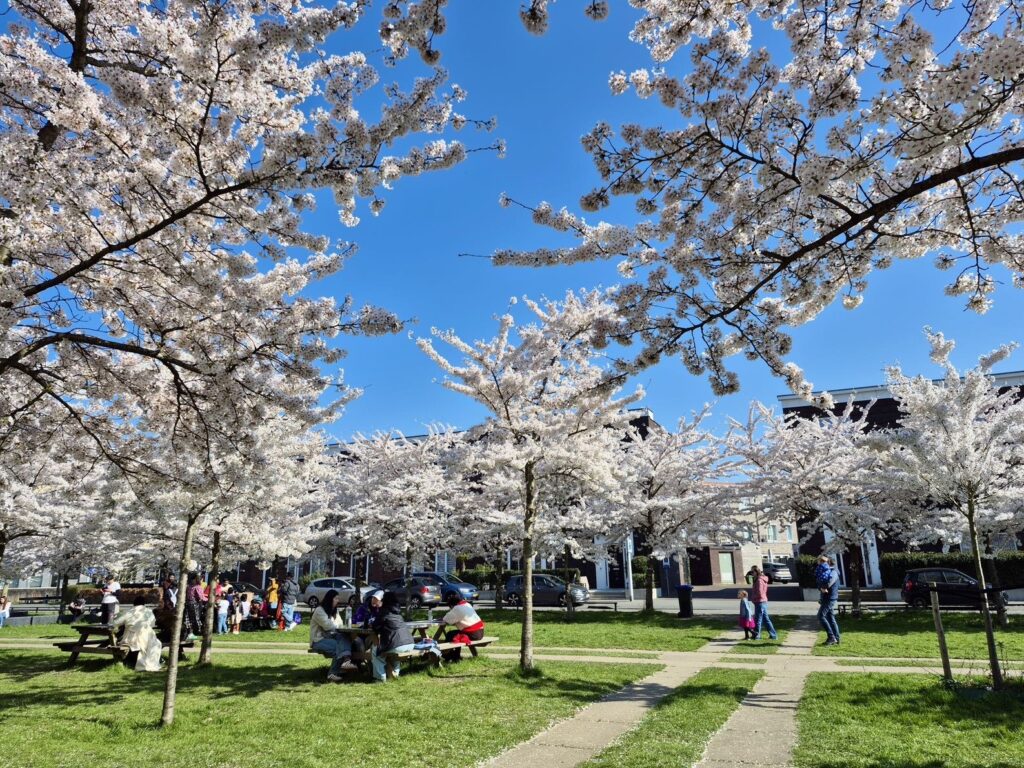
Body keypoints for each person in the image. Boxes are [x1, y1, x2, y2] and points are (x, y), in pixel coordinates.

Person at [310, 589, 358, 682]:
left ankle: (343, 665)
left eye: (338, 598)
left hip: (331, 636)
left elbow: (339, 624)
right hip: (318, 640)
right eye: (336, 598)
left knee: (345, 639)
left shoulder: (334, 611)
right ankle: (334, 672)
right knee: (339, 647)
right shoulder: (319, 610)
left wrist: (335, 625)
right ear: (330, 599)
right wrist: (335, 625)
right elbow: (328, 626)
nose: (338, 600)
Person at [370, 592, 415, 682]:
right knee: (394, 650)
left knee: (376, 652)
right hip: (410, 643)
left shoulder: (384, 612)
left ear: (385, 601)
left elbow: (375, 627)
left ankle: (380, 678)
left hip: (397, 645)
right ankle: (395, 673)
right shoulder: (398, 613)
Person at [111, 595, 163, 671]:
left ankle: (133, 661)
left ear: (134, 604)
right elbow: (153, 624)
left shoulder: (129, 612)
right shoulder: (149, 611)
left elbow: (116, 623)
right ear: (144, 604)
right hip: (147, 637)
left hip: (131, 638)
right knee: (157, 643)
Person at [816, 555, 841, 646]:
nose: (821, 563)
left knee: (820, 616)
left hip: (830, 598)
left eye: (823, 561)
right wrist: (821, 588)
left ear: (829, 562)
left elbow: (828, 583)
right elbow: (820, 584)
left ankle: (831, 637)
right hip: (826, 597)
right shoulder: (826, 571)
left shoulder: (834, 572)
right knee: (831, 618)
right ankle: (836, 639)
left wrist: (823, 587)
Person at [748, 565, 778, 641]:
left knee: (758, 619)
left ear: (756, 572)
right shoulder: (761, 579)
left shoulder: (759, 580)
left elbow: (760, 592)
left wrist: (753, 598)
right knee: (766, 619)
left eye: (752, 572)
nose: (751, 573)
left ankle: (757, 635)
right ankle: (773, 635)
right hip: (762, 601)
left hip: (760, 602)